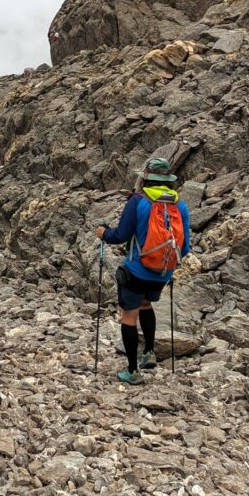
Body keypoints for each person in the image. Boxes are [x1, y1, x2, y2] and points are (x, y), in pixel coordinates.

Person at [96, 158, 192, 385]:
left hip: (138, 270)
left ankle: (132, 371)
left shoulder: (138, 201)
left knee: (129, 316)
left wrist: (103, 233)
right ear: (168, 180)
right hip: (163, 272)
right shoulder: (180, 205)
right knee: (146, 305)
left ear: (145, 177)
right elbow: (185, 247)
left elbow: (120, 235)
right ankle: (149, 352)